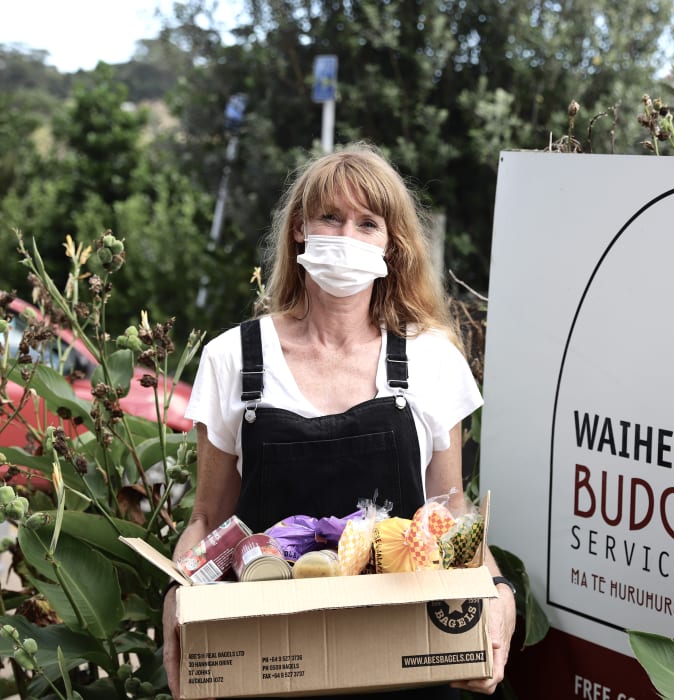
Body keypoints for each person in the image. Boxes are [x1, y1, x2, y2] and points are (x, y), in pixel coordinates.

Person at [162, 142, 515, 698]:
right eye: (330, 216)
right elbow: (208, 520)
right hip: (269, 663)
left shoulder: (431, 360)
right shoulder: (232, 358)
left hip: (402, 658)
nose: (346, 237)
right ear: (300, 229)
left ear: (390, 246)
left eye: (367, 223)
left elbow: (450, 511)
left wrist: (497, 591)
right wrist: (176, 602)